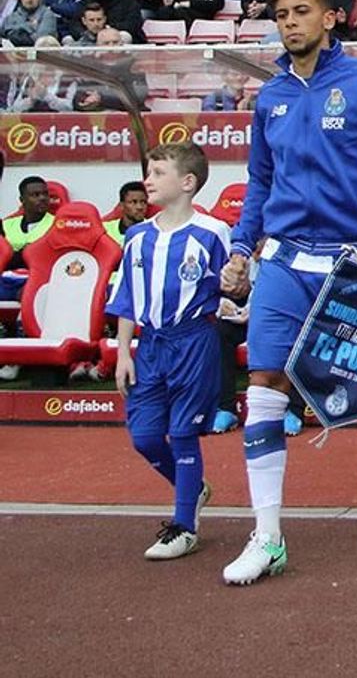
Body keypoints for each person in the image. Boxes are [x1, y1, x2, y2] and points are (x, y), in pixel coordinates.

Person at [218, 0, 357, 585]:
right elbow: (259, 181)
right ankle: (268, 536)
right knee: (264, 383)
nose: (290, 24)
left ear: (330, 16)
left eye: (301, 12)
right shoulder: (272, 96)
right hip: (283, 259)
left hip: (352, 260)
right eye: (281, 16)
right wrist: (239, 246)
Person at [108, 142, 230, 561]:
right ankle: (192, 488)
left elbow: (234, 286)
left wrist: (240, 285)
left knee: (182, 433)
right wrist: (124, 352)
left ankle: (184, 526)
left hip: (194, 341)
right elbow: (127, 297)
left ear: (187, 182)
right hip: (151, 345)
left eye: (158, 173)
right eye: (148, 171)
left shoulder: (213, 233)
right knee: (143, 436)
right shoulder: (137, 237)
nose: (148, 181)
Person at [104, 181, 150, 247]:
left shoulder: (155, 230)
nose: (139, 207)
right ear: (122, 205)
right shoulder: (105, 230)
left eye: (143, 202)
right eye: (134, 202)